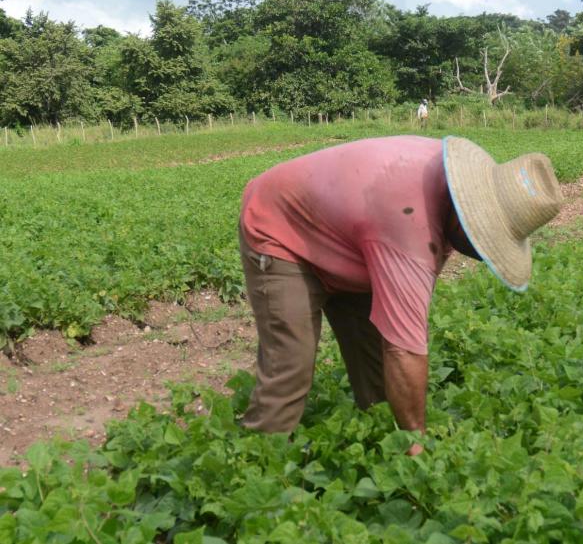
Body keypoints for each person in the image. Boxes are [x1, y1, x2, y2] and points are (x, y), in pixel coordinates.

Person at [238, 135, 563, 454]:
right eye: (483, 239)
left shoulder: (444, 187)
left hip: (351, 235)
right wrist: (415, 443)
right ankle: (255, 464)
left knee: (376, 370)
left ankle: (380, 445)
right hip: (280, 227)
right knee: (290, 365)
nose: (481, 253)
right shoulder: (410, 225)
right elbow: (404, 349)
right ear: (466, 210)